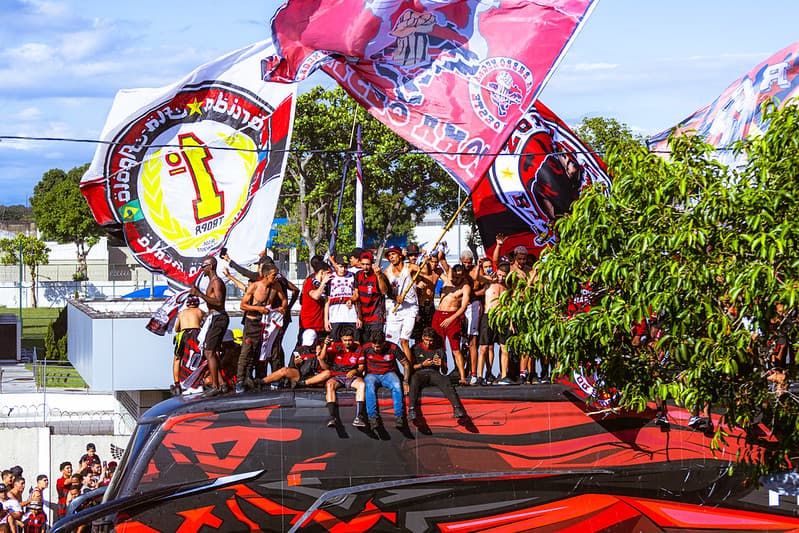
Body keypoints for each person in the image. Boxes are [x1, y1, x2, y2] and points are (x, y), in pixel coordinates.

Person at [237, 263, 286, 392]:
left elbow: (284, 299)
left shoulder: (276, 286)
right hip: (252, 323)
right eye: (273, 275)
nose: (276, 277)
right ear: (266, 275)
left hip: (267, 323)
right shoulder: (254, 287)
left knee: (265, 351)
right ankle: (240, 380)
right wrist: (258, 308)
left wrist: (282, 307)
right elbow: (242, 305)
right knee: (246, 352)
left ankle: (262, 379)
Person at [408, 327, 466, 420]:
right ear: (423, 337)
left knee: (445, 380)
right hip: (420, 373)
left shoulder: (439, 350)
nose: (428, 343)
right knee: (414, 380)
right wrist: (423, 364)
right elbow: (410, 367)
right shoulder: (415, 348)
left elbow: (444, 371)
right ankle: (411, 410)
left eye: (431, 341)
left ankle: (457, 408)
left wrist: (441, 364)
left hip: (434, 374)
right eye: (426, 340)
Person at [191, 256, 229, 396]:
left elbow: (219, 302)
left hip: (218, 317)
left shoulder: (216, 282)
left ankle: (215, 385)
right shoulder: (211, 282)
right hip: (214, 317)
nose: (202, 269)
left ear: (210, 266)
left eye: (203, 266)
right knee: (211, 352)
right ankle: (222, 384)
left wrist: (199, 294)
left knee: (209, 352)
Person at [318, 327, 367, 428]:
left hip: (352, 376)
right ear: (341, 339)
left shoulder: (359, 349)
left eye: (350, 340)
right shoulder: (336, 347)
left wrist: (355, 371)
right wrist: (326, 346)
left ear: (353, 339)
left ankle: (359, 417)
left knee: (362, 384)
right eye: (345, 340)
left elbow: (362, 367)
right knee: (330, 384)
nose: (348, 342)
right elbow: (321, 358)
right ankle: (332, 417)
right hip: (337, 376)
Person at [362, 330, 411, 430]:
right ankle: (373, 418)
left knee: (397, 385)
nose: (376, 348)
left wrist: (405, 382)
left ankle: (399, 417)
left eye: (379, 346)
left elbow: (406, 364)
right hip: (372, 374)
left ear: (384, 343)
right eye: (374, 346)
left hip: (388, 374)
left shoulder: (393, 348)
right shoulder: (366, 348)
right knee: (369, 387)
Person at [432, 263, 471, 385]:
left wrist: (452, 318)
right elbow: (436, 266)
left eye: (457, 277)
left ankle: (462, 377)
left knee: (456, 349)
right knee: (437, 347)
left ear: (463, 276)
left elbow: (464, 306)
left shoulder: (465, 287)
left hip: (452, 317)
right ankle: (439, 372)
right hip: (438, 315)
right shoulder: (447, 281)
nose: (454, 280)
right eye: (453, 276)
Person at [478, 261, 512, 385]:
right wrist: (478, 266)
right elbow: (477, 277)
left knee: (504, 347)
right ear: (496, 272)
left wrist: (511, 322)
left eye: (504, 276)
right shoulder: (489, 281)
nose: (501, 278)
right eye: (500, 275)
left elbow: (510, 305)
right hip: (489, 316)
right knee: (484, 347)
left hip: (503, 318)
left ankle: (504, 375)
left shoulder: (508, 286)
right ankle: (480, 376)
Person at [384, 246, 420, 361]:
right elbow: (386, 291)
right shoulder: (387, 272)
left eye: (393, 254)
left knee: (404, 340)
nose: (391, 257)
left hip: (410, 308)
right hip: (395, 309)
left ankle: (409, 371)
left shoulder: (409, 267)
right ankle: (393, 370)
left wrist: (425, 260)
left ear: (400, 255)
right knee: (390, 343)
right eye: (389, 256)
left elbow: (424, 270)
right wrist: (395, 297)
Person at [261, 329, 331, 389]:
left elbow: (326, 368)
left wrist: (319, 357)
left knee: (327, 373)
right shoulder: (299, 350)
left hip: (315, 377)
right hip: (301, 376)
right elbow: (292, 367)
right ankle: (261, 382)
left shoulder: (322, 349)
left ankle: (304, 383)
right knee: (284, 370)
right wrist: (296, 363)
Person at [171, 295, 204, 396]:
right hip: (196, 334)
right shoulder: (201, 311)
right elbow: (205, 324)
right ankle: (197, 382)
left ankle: (177, 384)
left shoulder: (182, 313)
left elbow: (177, 328)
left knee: (177, 359)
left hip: (183, 335)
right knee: (196, 359)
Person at [354, 251, 388, 343]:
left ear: (372, 264)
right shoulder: (358, 275)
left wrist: (379, 275)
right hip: (363, 317)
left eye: (368, 264)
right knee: (364, 345)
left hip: (376, 318)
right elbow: (356, 296)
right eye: (363, 264)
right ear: (360, 264)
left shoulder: (378, 275)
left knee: (376, 343)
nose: (365, 267)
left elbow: (384, 291)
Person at [325, 254, 360, 341]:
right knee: (335, 344)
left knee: (354, 343)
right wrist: (326, 320)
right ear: (336, 265)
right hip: (335, 318)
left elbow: (357, 298)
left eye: (345, 266)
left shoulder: (353, 276)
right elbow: (327, 300)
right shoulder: (330, 278)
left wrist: (359, 317)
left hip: (351, 317)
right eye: (341, 266)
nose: (343, 269)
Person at [299, 255, 331, 344]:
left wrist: (326, 321)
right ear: (321, 273)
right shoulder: (310, 282)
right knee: (306, 350)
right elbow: (315, 295)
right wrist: (323, 283)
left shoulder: (325, 285)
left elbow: (327, 301)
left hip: (320, 324)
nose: (329, 276)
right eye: (327, 273)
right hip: (308, 323)